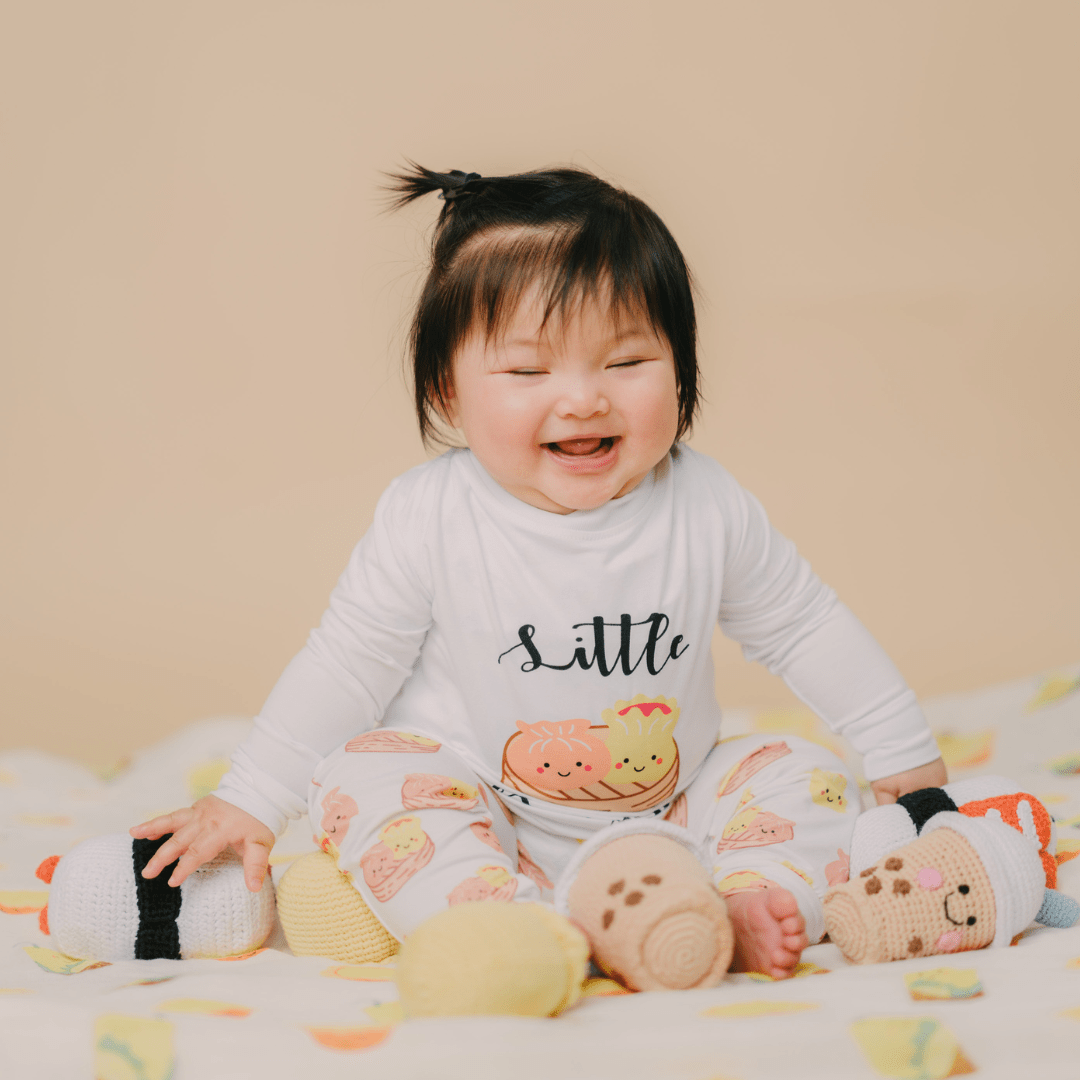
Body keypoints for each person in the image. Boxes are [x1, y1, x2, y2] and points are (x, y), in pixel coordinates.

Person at [131, 164, 946, 990]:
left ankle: (737, 903)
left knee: (801, 771)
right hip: (486, 815)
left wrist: (906, 760)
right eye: (528, 373)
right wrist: (249, 797)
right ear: (449, 390)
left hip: (673, 813)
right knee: (361, 774)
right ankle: (520, 930)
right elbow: (347, 665)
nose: (584, 399)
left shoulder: (706, 504)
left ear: (682, 366)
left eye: (628, 360)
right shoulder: (430, 516)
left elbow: (805, 628)